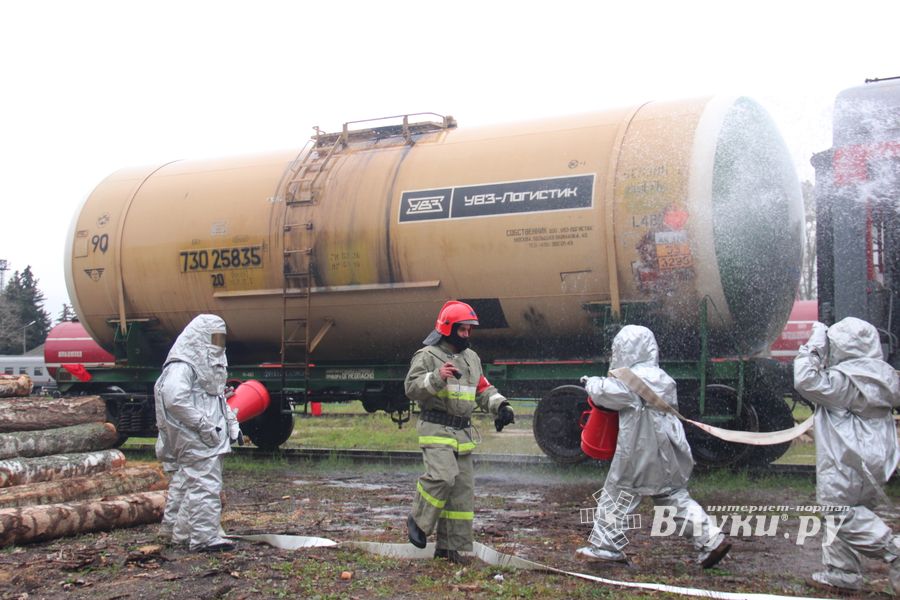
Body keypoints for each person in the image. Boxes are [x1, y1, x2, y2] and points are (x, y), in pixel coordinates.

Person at [577, 325, 731, 568]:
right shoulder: (663, 377)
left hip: (639, 450)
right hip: (668, 451)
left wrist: (590, 382)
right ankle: (711, 539)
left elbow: (603, 393)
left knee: (618, 493)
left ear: (624, 349)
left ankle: (606, 547)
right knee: (673, 496)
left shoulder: (629, 380)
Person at [794, 317, 900, 594]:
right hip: (878, 456)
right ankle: (842, 573)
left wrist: (816, 341)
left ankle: (894, 550)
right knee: (852, 511)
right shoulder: (886, 377)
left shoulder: (842, 381)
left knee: (837, 511)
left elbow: (804, 378)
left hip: (846, 457)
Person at [404, 300, 515, 563]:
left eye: (469, 330)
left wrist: (501, 406)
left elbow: (483, 389)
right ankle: (418, 521)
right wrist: (437, 376)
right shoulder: (427, 356)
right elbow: (411, 388)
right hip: (436, 429)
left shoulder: (471, 358)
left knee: (461, 493)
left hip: (462, 434)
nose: (467, 335)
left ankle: (450, 548)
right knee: (443, 477)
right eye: (462, 330)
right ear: (448, 329)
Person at [154, 314, 241, 553]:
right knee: (204, 484)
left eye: (221, 338)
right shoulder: (183, 365)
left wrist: (230, 425)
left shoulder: (202, 366)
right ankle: (203, 537)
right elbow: (174, 399)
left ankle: (179, 532)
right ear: (199, 337)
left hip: (205, 437)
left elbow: (217, 398)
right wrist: (204, 425)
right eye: (214, 337)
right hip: (195, 436)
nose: (218, 343)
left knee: (187, 483)